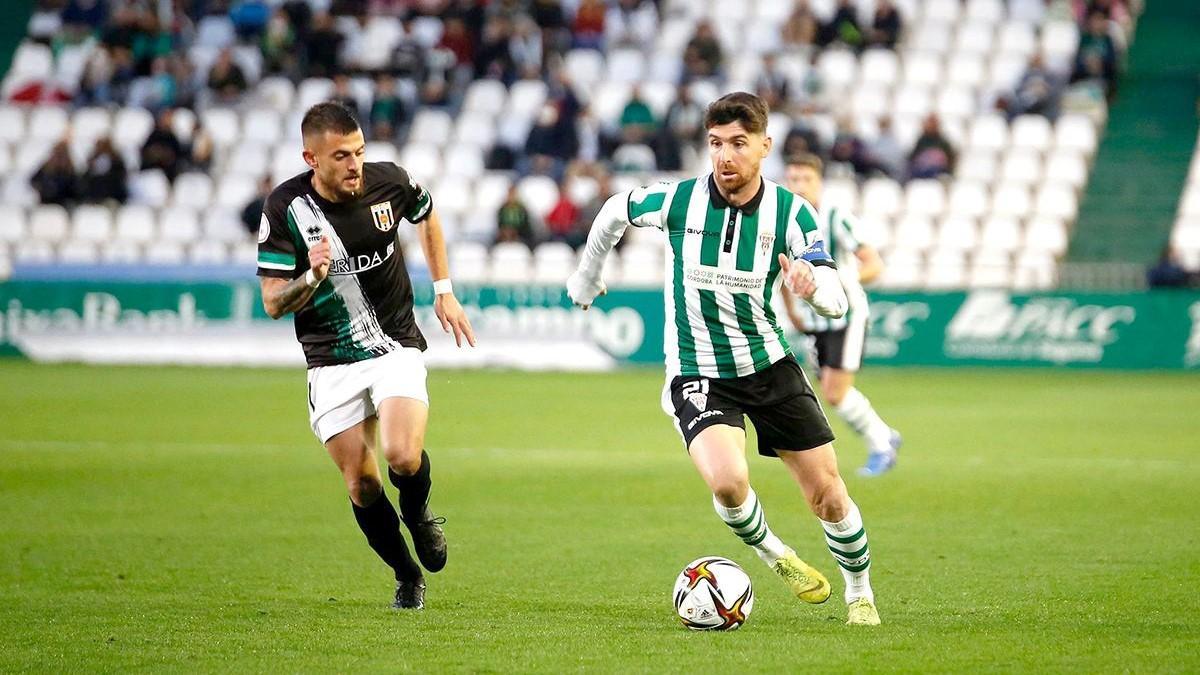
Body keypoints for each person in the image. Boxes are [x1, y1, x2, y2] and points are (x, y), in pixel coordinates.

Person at [566, 92, 881, 626]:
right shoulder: (679, 202)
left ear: (765, 146)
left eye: (738, 144)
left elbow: (835, 294)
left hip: (768, 364)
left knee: (828, 495)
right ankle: (776, 556)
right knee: (728, 483)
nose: (725, 156)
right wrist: (589, 274)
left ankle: (859, 593)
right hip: (698, 372)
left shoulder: (792, 212)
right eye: (715, 144)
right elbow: (615, 209)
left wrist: (812, 289)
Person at [256, 102, 476, 610]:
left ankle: (419, 514)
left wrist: (443, 289)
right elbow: (272, 302)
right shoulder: (285, 209)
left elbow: (428, 215)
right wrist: (310, 277)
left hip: (394, 343)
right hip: (330, 358)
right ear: (311, 157)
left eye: (359, 152)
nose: (355, 164)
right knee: (362, 484)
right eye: (341, 156)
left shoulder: (389, 183)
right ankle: (406, 574)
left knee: (402, 455)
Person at [779, 153, 902, 476]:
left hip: (846, 316)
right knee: (833, 393)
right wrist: (791, 311)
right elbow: (781, 270)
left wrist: (846, 280)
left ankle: (882, 445)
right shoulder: (782, 219)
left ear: (819, 183)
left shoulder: (835, 218)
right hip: (814, 320)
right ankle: (885, 435)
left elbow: (874, 264)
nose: (799, 186)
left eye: (806, 179)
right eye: (793, 179)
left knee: (835, 392)